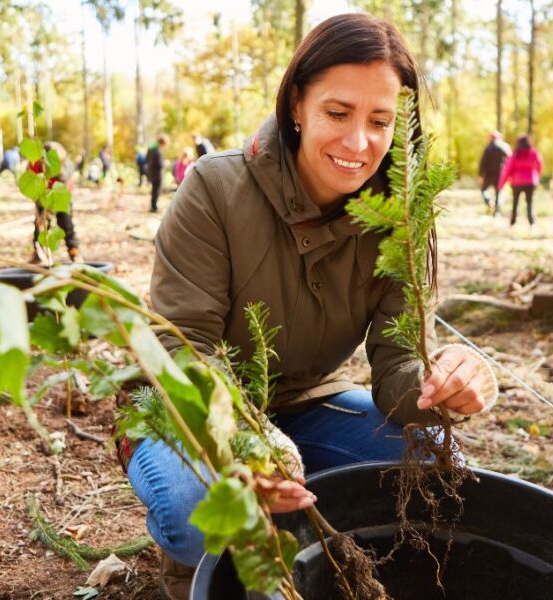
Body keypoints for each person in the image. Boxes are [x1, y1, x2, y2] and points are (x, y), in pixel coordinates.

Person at [117, 14, 498, 599]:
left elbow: (396, 369)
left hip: (306, 403)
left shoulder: (400, 221)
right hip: (186, 408)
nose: (358, 143)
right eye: (337, 113)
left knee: (435, 462)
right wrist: (248, 442)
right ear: (297, 103)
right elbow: (181, 347)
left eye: (380, 121)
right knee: (196, 510)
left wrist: (443, 383)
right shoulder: (215, 190)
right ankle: (194, 563)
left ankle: (318, 536)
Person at [28, 141, 84, 264]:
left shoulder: (66, 166)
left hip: (62, 195)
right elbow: (31, 187)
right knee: (41, 225)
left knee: (66, 223)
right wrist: (40, 210)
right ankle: (38, 254)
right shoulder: (35, 165)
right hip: (43, 196)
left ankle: (74, 252)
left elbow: (63, 186)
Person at [498, 133, 544, 226]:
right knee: (529, 202)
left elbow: (508, 169)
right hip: (530, 181)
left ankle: (513, 221)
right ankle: (531, 221)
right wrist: (537, 176)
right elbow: (540, 165)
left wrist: (501, 184)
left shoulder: (515, 155)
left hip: (517, 181)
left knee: (515, 202)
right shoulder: (534, 153)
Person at [477, 130, 511, 215]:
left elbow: (482, 162)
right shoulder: (505, 147)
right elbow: (510, 160)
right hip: (500, 174)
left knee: (483, 190)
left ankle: (489, 201)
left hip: (488, 174)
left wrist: (480, 175)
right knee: (498, 192)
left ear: (491, 138)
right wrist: (509, 174)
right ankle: (496, 211)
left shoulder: (488, 148)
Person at [145, 134, 168, 213]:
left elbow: (147, 160)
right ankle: (154, 207)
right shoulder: (158, 151)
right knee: (156, 190)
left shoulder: (151, 149)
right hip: (157, 174)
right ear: (162, 143)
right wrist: (165, 163)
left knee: (154, 190)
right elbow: (159, 164)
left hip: (151, 173)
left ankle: (153, 206)